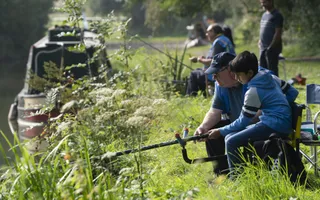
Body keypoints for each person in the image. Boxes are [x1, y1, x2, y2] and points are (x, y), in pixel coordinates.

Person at [193, 51, 298, 175]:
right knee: (218, 132)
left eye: (216, 73)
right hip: (247, 121)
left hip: (263, 123)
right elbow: (215, 111)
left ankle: (238, 178)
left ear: (230, 70)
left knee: (230, 140)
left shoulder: (252, 84)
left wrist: (277, 108)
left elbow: (245, 120)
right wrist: (203, 127)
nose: (214, 78)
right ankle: (222, 174)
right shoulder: (257, 77)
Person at [186, 24, 235, 96]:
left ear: (213, 31)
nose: (206, 34)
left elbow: (214, 62)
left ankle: (191, 96)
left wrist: (199, 60)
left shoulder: (218, 42)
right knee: (198, 71)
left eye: (208, 32)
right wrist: (204, 58)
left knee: (194, 74)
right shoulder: (225, 39)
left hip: (220, 73)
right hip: (228, 71)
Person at [259, 0, 283, 76]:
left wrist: (271, 47)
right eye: (261, 2)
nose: (263, 4)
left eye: (264, 2)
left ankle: (276, 87)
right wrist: (260, 41)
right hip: (263, 47)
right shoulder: (264, 15)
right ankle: (265, 87)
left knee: (272, 70)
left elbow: (278, 33)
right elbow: (263, 30)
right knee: (262, 71)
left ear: (271, 2)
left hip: (272, 48)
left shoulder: (277, 15)